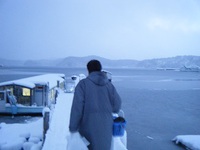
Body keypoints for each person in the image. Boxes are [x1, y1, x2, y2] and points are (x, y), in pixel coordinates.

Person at [69, 59, 122, 150]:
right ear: (100, 69)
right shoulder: (109, 85)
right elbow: (117, 106)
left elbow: (77, 108)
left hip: (87, 128)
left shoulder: (83, 84)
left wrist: (73, 127)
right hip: (106, 128)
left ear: (88, 70)